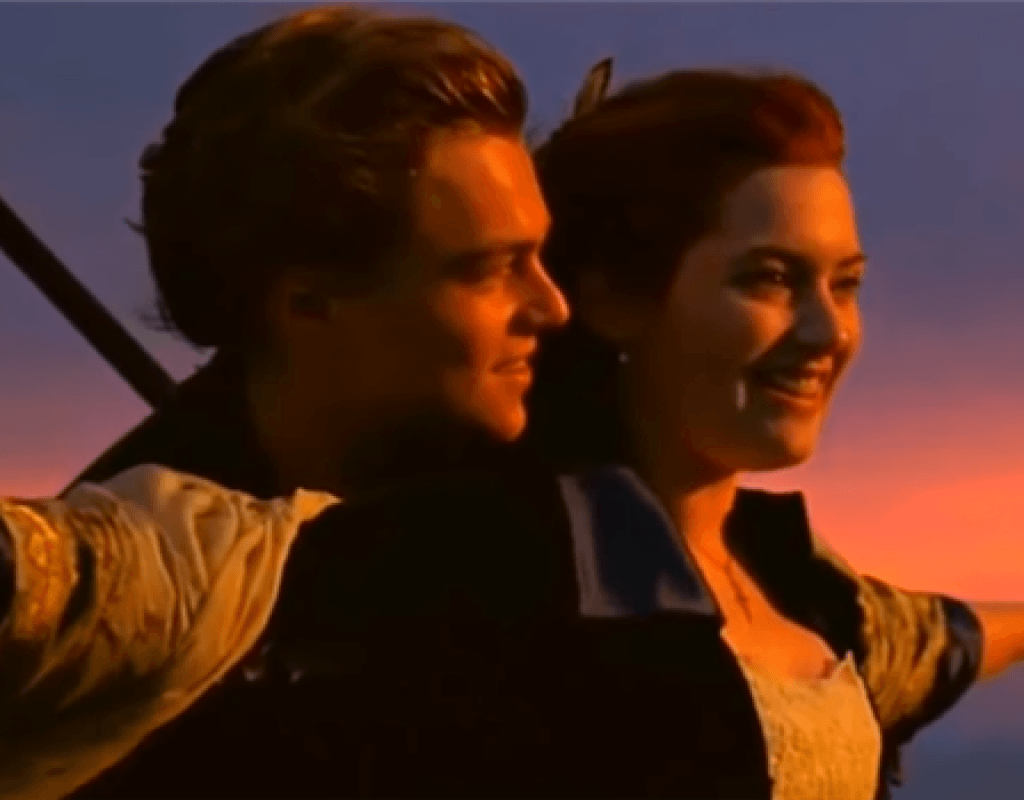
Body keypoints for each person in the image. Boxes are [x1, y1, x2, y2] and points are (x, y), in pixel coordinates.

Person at [0, 5, 567, 797]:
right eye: (488, 270)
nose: (551, 307)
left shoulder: (558, 490)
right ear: (307, 301)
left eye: (539, 257)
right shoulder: (148, 622)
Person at [518, 59, 1024, 798]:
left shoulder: (795, 576)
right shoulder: (514, 585)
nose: (829, 332)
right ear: (612, 299)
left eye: (845, 284)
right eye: (771, 278)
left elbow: (931, 642)